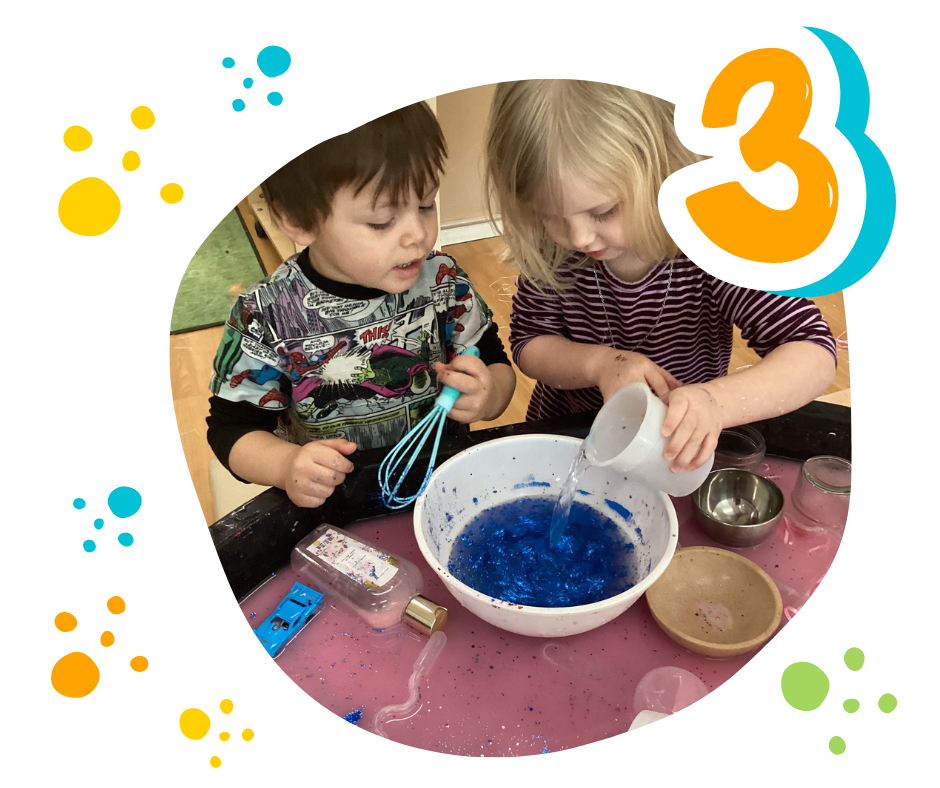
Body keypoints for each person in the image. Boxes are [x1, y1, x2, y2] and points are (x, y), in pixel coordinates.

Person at [484, 80, 836, 474]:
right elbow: (531, 343)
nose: (578, 238)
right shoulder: (553, 249)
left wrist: (715, 403)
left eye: (604, 212)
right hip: (573, 439)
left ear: (666, 168)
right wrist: (600, 365)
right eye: (549, 215)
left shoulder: (712, 246)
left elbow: (813, 352)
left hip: (668, 450)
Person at [207, 102, 516, 508]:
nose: (418, 235)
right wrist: (286, 466)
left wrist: (490, 395)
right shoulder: (267, 315)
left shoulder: (443, 281)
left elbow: (493, 360)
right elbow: (232, 429)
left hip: (442, 481)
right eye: (381, 221)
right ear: (297, 220)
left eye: (426, 204)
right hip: (338, 503)